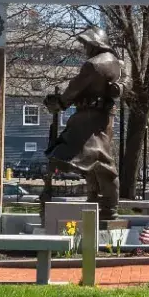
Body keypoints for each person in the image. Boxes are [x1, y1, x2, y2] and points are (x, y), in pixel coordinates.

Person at [44, 28, 125, 221]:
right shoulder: (117, 62)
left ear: (95, 44)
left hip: (88, 120)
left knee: (75, 155)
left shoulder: (94, 64)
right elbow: (124, 82)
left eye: (86, 44)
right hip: (103, 119)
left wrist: (59, 103)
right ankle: (103, 204)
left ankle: (104, 204)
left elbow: (74, 88)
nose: (84, 48)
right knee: (95, 161)